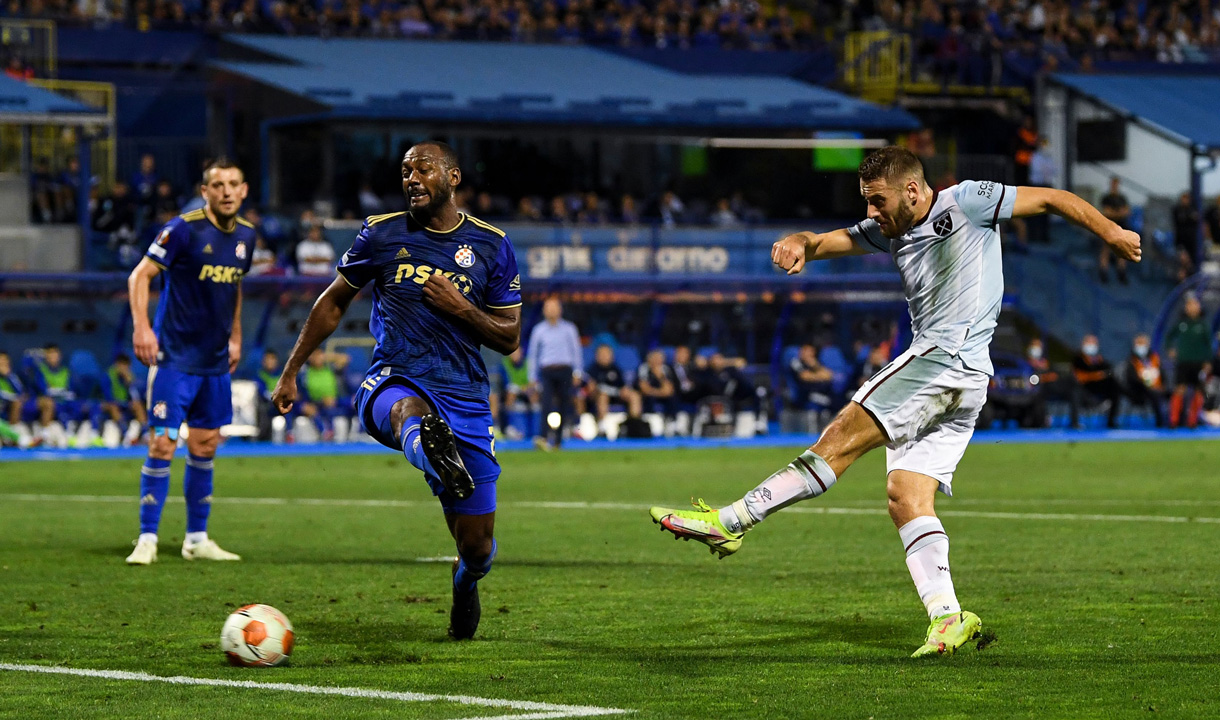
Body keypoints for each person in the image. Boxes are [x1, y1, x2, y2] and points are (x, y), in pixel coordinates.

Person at [649, 145, 1141, 657]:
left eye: (877, 201)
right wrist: (798, 241)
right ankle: (949, 618)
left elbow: (1053, 199)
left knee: (837, 442)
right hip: (966, 380)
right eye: (866, 202)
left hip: (944, 360)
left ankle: (730, 522)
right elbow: (823, 242)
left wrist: (1111, 232)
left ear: (911, 190)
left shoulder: (968, 201)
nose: (871, 213)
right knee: (905, 496)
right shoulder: (892, 229)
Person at [270, 142, 522, 640]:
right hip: (394, 378)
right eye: (405, 171)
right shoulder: (380, 233)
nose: (411, 178)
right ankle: (429, 448)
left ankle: (464, 583)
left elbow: (509, 338)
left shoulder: (492, 245)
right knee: (410, 409)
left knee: (477, 550)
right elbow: (332, 302)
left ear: (451, 177)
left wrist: (462, 308)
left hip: (465, 395)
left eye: (423, 169)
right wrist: (291, 369)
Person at [124, 157, 255, 566]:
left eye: (234, 184)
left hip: (215, 362)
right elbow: (139, 276)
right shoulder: (182, 228)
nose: (227, 191)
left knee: (205, 445)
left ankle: (196, 539)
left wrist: (235, 336)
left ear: (244, 190)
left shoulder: (247, 237)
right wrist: (143, 328)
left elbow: (234, 288)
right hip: (174, 359)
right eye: (218, 185)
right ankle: (147, 538)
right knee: (162, 443)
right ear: (205, 191)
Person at [526, 297, 582, 450]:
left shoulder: (569, 328)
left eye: (554, 307)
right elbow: (533, 354)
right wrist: (532, 376)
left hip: (565, 370)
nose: (551, 310)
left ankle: (558, 440)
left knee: (564, 404)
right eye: (548, 307)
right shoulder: (539, 330)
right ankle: (543, 437)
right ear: (544, 310)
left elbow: (576, 351)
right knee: (546, 403)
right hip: (547, 370)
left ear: (560, 310)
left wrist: (577, 372)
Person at [1167, 295, 1210, 429]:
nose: (1192, 308)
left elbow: (1208, 345)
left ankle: (1193, 421)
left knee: (1198, 390)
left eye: (1195, 305)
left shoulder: (1203, 325)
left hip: (1198, 363)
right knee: (1180, 389)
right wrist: (1170, 349)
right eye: (1189, 305)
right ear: (1186, 308)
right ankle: (1174, 421)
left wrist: (1208, 361)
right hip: (1183, 362)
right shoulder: (1181, 324)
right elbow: (1169, 337)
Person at [1070, 334, 1123, 429]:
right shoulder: (1078, 360)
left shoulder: (1101, 361)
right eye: (1088, 343)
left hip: (1100, 390)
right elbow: (1080, 377)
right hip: (1084, 392)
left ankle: (1111, 421)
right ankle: (1075, 423)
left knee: (1115, 387)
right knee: (1075, 391)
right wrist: (1097, 375)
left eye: (1093, 343)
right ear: (1083, 344)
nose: (1091, 346)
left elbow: (1109, 373)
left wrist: (1105, 375)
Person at [584, 344, 641, 427]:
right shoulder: (592, 370)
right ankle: (602, 426)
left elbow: (623, 386)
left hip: (616, 395)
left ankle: (634, 424)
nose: (605, 357)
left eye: (607, 354)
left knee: (635, 395)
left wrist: (625, 390)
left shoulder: (615, 368)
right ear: (597, 356)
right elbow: (591, 388)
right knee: (603, 396)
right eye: (602, 354)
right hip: (600, 397)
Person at [100, 354, 148, 444]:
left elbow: (136, 397)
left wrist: (130, 384)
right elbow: (108, 397)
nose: (124, 368)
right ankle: (126, 435)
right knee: (113, 407)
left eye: (126, 366)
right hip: (109, 404)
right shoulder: (107, 376)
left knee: (137, 405)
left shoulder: (129, 378)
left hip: (124, 404)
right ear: (117, 365)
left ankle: (145, 434)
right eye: (122, 365)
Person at [1124, 334, 1165, 427]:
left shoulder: (1154, 358)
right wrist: (1146, 384)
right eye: (1139, 343)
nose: (1141, 346)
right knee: (1154, 394)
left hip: (1156, 388)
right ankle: (1160, 423)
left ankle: (1173, 421)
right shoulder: (1131, 361)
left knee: (1166, 393)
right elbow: (1131, 379)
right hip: (1139, 390)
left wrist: (1160, 385)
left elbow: (1162, 374)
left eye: (1143, 343)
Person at [1098, 176, 1131, 284]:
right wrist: (1118, 214)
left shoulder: (1122, 198)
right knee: (1105, 250)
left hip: (1121, 228)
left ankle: (1121, 273)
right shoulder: (1106, 198)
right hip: (1108, 228)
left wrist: (1115, 214)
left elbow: (1126, 212)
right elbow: (1106, 212)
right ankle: (1103, 273)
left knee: (1121, 251)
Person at [498, 346, 535, 439]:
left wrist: (526, 387)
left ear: (521, 353)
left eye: (516, 352)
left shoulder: (528, 363)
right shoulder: (505, 363)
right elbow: (506, 382)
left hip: (526, 388)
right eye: (512, 353)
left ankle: (535, 428)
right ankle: (510, 426)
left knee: (534, 394)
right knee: (511, 392)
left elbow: (532, 380)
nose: (514, 355)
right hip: (512, 389)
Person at [789, 343, 834, 411]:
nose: (804, 353)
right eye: (803, 350)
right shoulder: (795, 362)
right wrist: (819, 376)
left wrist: (815, 366)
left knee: (834, 401)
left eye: (809, 351)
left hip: (816, 393)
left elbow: (829, 375)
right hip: (801, 396)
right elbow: (804, 376)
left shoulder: (815, 363)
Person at [635, 349, 677, 420]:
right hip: (648, 395)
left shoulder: (666, 369)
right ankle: (648, 420)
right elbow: (645, 389)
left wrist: (660, 377)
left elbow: (669, 390)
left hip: (659, 394)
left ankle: (671, 421)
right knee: (649, 398)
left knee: (673, 398)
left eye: (660, 358)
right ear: (649, 359)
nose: (658, 360)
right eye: (655, 358)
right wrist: (660, 392)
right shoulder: (643, 368)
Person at [1172, 192, 1200, 281]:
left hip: (1191, 242)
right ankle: (1182, 282)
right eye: (1183, 198)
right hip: (1181, 241)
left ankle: (1189, 281)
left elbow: (1196, 218)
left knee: (1190, 264)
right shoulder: (1177, 210)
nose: (1185, 201)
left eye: (1187, 199)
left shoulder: (1193, 209)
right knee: (1183, 260)